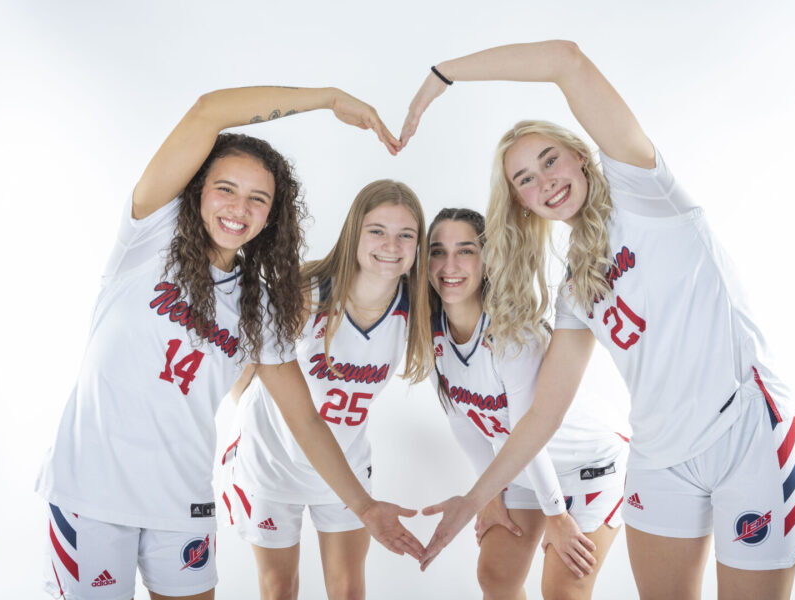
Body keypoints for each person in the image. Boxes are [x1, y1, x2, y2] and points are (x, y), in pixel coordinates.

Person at [402, 41, 795, 599]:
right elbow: (542, 413)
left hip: (743, 433)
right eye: (524, 179)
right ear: (522, 203)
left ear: (582, 154)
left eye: (549, 159)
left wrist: (442, 74)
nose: (543, 181)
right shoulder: (576, 287)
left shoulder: (646, 192)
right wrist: (476, 499)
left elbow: (566, 60)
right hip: (658, 457)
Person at [35, 86, 424, 600]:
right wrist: (328, 100)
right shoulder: (148, 238)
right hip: (92, 494)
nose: (239, 207)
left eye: (258, 198)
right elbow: (207, 111)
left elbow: (305, 418)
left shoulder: (259, 304)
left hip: (183, 504)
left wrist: (364, 506)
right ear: (197, 191)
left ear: (270, 217)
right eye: (226, 189)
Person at [219, 179, 432, 600]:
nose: (392, 244)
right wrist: (251, 417)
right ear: (354, 232)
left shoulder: (418, 306)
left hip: (345, 464)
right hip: (272, 462)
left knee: (349, 589)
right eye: (377, 230)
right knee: (279, 588)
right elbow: (246, 368)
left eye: (406, 234)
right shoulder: (306, 292)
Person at [427, 207, 627, 599]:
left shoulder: (512, 333)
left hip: (589, 464)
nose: (449, 264)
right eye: (438, 251)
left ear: (488, 260)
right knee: (496, 575)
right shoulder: (431, 336)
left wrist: (556, 515)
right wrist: (488, 497)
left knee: (562, 590)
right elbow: (465, 425)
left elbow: (530, 431)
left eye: (465, 250)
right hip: (524, 468)